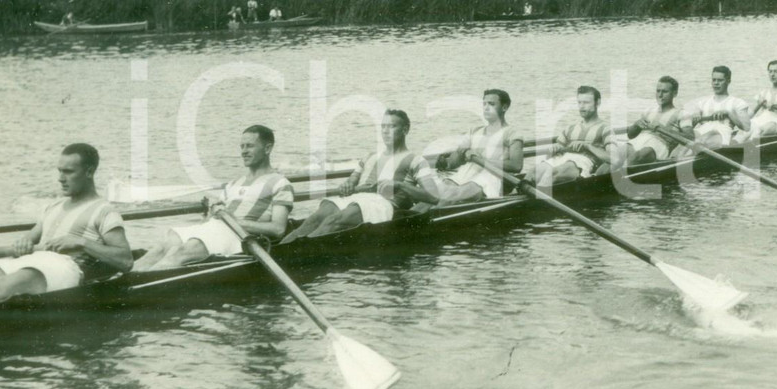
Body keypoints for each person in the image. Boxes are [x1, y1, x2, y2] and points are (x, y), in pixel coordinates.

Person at [0, 144, 132, 308]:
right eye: (59, 171)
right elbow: (28, 240)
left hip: (63, 267)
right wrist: (22, 243)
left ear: (89, 172)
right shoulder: (53, 206)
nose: (60, 178)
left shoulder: (104, 211)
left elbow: (126, 260)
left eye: (68, 172)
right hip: (34, 259)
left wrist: (81, 242)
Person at [135, 126, 293, 270]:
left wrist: (236, 222)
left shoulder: (280, 183)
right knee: (165, 245)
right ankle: (123, 281)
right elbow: (211, 220)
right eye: (242, 146)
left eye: (250, 146)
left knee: (184, 250)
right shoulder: (234, 183)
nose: (244, 151)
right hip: (216, 229)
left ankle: (134, 291)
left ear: (267, 148)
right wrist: (212, 212)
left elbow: (278, 229)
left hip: (239, 236)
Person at [281, 110, 438, 242]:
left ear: (405, 129)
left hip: (382, 204)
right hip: (357, 198)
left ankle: (292, 253)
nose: (385, 131)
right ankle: (280, 249)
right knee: (316, 218)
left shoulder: (416, 160)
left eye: (392, 126)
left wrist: (400, 185)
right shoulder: (369, 156)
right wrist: (347, 184)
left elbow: (433, 197)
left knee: (333, 221)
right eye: (383, 127)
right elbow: (351, 181)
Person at [433, 89, 524, 204]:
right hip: (468, 173)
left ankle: (428, 219)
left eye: (491, 104)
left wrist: (480, 159)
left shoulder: (512, 133)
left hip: (492, 177)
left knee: (451, 195)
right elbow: (454, 162)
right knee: (437, 192)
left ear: (504, 108)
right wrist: (447, 162)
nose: (486, 108)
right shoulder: (474, 131)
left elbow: (516, 165)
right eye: (484, 104)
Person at [526, 86, 621, 189]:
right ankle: (516, 195)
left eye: (586, 102)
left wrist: (588, 146)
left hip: (583, 163)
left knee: (553, 174)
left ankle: (535, 196)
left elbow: (615, 160)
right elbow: (550, 156)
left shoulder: (605, 129)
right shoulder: (569, 129)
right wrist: (553, 150)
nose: (581, 106)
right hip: (562, 158)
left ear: (597, 103)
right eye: (579, 102)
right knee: (533, 172)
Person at [678, 66, 751, 149]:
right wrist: (695, 115)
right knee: (681, 137)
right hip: (701, 132)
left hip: (721, 134)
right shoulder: (703, 102)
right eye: (714, 80)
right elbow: (690, 124)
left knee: (707, 136)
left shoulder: (737, 102)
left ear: (728, 81)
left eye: (720, 80)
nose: (716, 83)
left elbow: (747, 127)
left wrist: (729, 114)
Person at [626, 76, 682, 163]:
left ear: (675, 93)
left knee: (636, 156)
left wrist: (663, 129)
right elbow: (630, 135)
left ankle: (616, 174)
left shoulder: (681, 114)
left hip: (659, 145)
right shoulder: (648, 111)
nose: (660, 95)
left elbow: (690, 137)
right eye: (658, 91)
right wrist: (636, 125)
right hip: (640, 139)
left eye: (665, 92)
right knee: (617, 155)